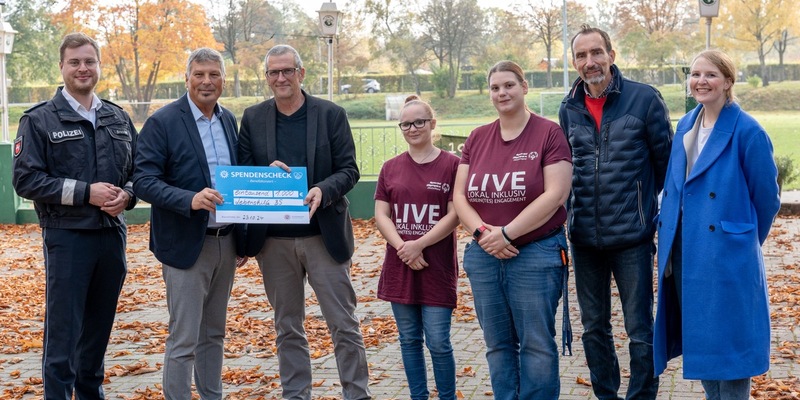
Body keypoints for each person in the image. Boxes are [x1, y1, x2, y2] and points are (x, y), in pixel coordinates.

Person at [237, 44, 370, 400]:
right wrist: (261, 175)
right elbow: (241, 171)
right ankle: (296, 394)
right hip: (273, 241)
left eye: (287, 71)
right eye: (273, 72)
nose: (281, 78)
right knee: (287, 327)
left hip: (323, 236)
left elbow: (350, 169)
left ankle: (357, 393)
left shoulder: (330, 114)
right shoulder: (252, 118)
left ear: (301, 73)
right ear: (266, 78)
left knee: (343, 323)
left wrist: (323, 190)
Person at [11, 32, 137, 399]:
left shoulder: (117, 116)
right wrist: (87, 193)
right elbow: (26, 179)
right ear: (62, 67)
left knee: (97, 337)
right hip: (67, 239)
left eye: (89, 61)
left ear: (99, 65)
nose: (83, 68)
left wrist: (128, 196)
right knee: (63, 338)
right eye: (75, 62)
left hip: (112, 238)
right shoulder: (39, 121)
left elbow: (140, 171)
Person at [653, 49, 780, 400]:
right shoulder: (685, 126)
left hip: (727, 259)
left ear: (727, 81)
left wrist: (741, 241)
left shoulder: (748, 131)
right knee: (704, 343)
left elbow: (767, 200)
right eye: (695, 74)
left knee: (732, 350)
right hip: (686, 254)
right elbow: (676, 187)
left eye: (710, 74)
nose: (700, 81)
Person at [558, 24, 673, 400]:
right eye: (581, 55)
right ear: (574, 62)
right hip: (584, 239)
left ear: (611, 55)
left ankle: (642, 396)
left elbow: (665, 167)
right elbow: (566, 168)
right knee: (594, 328)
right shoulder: (569, 107)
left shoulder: (645, 99)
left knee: (640, 329)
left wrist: (637, 206)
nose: (589, 62)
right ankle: (606, 395)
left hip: (632, 239)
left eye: (596, 53)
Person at [453, 60, 573, 399]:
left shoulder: (549, 133)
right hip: (484, 256)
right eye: (495, 87)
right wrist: (483, 235)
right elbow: (459, 196)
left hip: (536, 253)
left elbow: (556, 194)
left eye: (509, 85)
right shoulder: (477, 138)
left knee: (536, 345)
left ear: (524, 87)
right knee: (497, 345)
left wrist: (506, 234)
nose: (502, 92)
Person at [132, 47, 246, 400]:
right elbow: (144, 180)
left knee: (214, 333)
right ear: (187, 78)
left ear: (224, 81)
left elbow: (237, 176)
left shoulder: (228, 119)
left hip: (225, 242)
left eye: (214, 75)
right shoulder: (163, 121)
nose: (207, 81)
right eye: (199, 74)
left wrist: (264, 179)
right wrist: (189, 199)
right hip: (185, 244)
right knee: (184, 336)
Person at [374, 95, 460, 400]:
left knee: (438, 341)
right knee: (409, 339)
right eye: (406, 124)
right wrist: (403, 248)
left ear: (432, 124)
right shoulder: (390, 167)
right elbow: (381, 215)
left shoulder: (453, 165)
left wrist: (419, 245)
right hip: (400, 266)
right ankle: (418, 396)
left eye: (419, 122)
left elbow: (455, 214)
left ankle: (447, 396)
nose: (413, 128)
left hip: (436, 267)